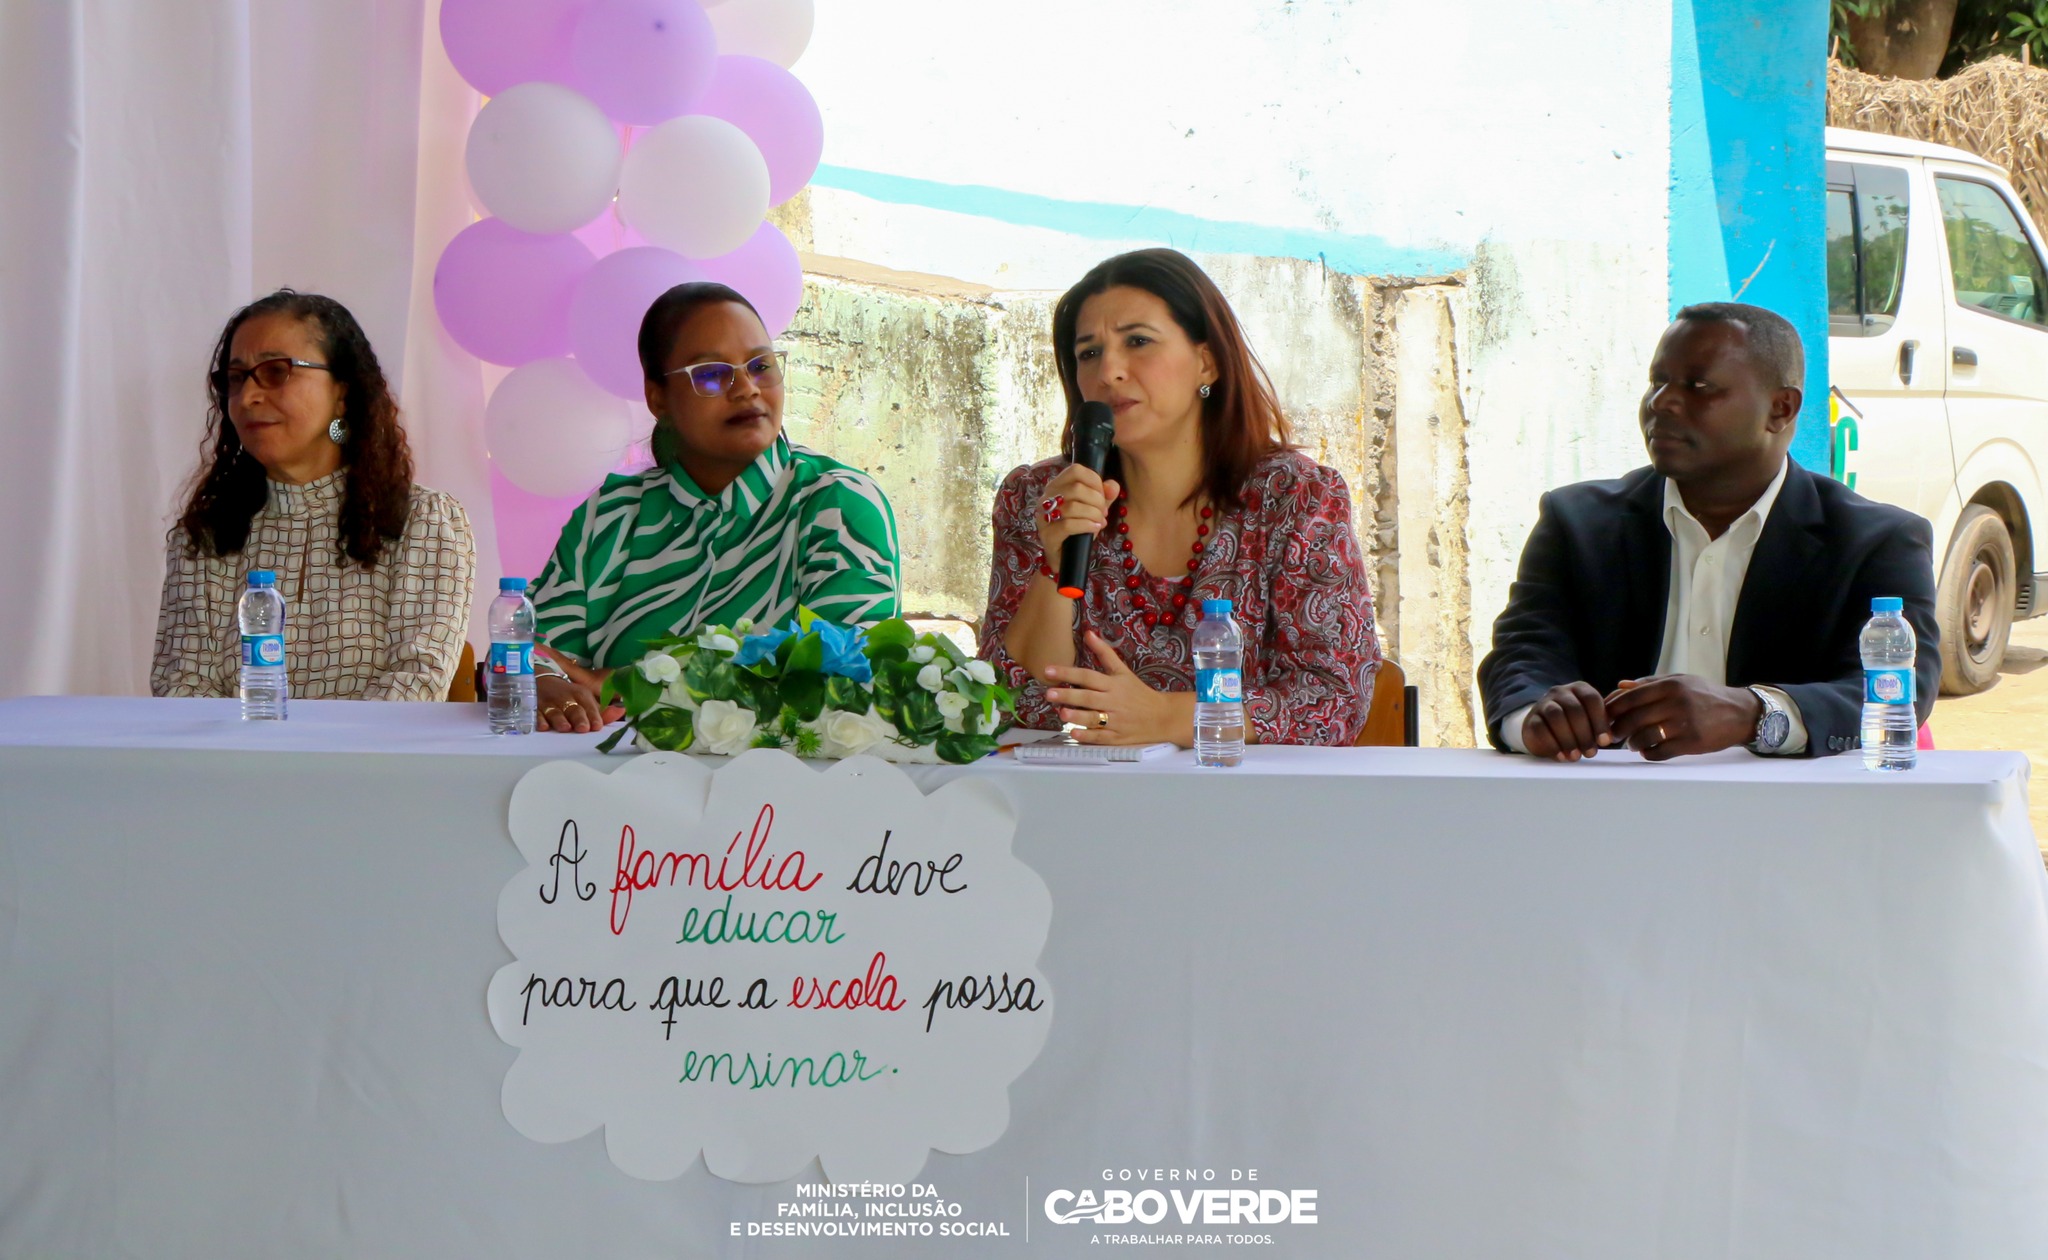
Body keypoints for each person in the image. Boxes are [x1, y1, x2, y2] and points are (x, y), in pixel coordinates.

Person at [1478, 302, 1940, 761]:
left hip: (1793, 817)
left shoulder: (1876, 541)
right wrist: (1534, 717)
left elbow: (1897, 690)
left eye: (1698, 386)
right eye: (1657, 383)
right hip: (1607, 808)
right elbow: (1523, 653)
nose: (1661, 403)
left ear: (1780, 408)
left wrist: (1756, 714)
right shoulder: (1577, 523)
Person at [979, 248, 1380, 746]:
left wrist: (1168, 718)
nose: (1110, 372)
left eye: (1138, 341)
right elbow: (1002, 694)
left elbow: (1333, 698)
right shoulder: (1037, 497)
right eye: (1089, 353)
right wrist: (1054, 559)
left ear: (1206, 363)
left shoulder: (1295, 497)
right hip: (1083, 799)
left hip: (1246, 803)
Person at [530, 282, 901, 733]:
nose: (746, 388)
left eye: (761, 366)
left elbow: (846, 676)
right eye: (710, 374)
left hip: (780, 794)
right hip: (605, 790)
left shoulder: (836, 505)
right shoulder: (611, 516)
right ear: (657, 397)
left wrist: (647, 683)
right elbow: (534, 647)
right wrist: (544, 683)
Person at [153, 290, 475, 700]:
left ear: (342, 391)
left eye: (275, 371)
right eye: (236, 379)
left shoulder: (424, 521)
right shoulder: (205, 536)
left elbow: (414, 685)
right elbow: (181, 690)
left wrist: (313, 761)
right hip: (234, 763)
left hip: (370, 762)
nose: (248, 397)